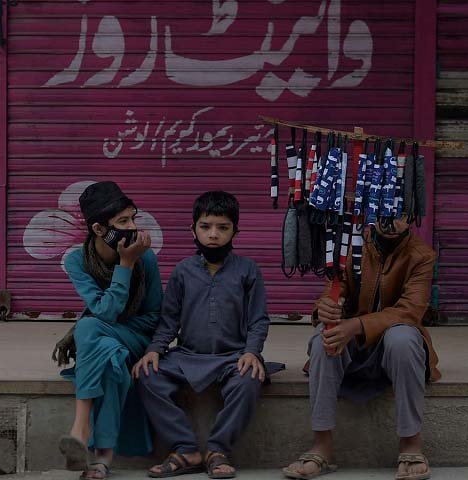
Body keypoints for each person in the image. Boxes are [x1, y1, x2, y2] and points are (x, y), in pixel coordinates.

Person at [133, 191, 277, 479]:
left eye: (223, 227)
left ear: (236, 230)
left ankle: (217, 449)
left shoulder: (248, 271)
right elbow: (169, 320)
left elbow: (258, 319)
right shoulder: (182, 272)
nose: (213, 235)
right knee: (147, 374)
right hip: (187, 356)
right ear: (193, 229)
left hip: (232, 357)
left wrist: (251, 351)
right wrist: (154, 349)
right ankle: (186, 448)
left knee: (249, 380)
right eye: (206, 226)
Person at [283, 216, 440, 480]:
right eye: (383, 210)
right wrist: (325, 307)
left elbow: (410, 311)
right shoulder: (351, 242)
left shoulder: (422, 256)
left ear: (411, 217)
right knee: (326, 337)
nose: (390, 220)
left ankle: (411, 444)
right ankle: (321, 446)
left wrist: (356, 325)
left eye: (400, 213)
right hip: (352, 345)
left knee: (402, 338)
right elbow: (334, 288)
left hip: (393, 349)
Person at [52, 181, 162, 480]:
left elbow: (154, 317)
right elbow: (106, 311)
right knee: (112, 360)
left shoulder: (146, 257)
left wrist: (128, 263)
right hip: (105, 340)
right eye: (123, 222)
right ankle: (103, 457)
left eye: (132, 218)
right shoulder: (78, 260)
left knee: (88, 325)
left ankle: (81, 426)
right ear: (100, 229)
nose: (132, 227)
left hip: (138, 336)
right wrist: (125, 266)